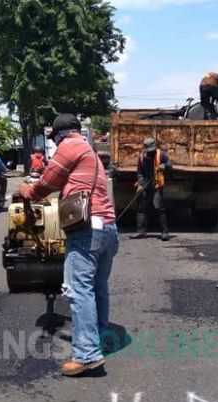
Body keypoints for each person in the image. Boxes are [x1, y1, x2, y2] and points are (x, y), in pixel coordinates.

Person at [18, 114, 118, 377]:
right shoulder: (89, 150)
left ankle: (87, 355)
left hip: (87, 230)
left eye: (55, 138)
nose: (55, 143)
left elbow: (46, 185)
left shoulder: (69, 147)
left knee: (78, 290)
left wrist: (26, 190)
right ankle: (101, 338)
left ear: (60, 135)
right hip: (108, 227)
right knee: (97, 288)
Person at [129, 138, 172, 241]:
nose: (150, 152)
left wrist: (164, 165)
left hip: (157, 184)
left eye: (152, 150)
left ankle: (165, 232)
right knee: (141, 207)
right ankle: (141, 231)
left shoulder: (161, 155)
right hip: (145, 184)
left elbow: (170, 164)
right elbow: (139, 172)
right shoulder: (141, 157)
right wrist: (140, 184)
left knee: (158, 206)